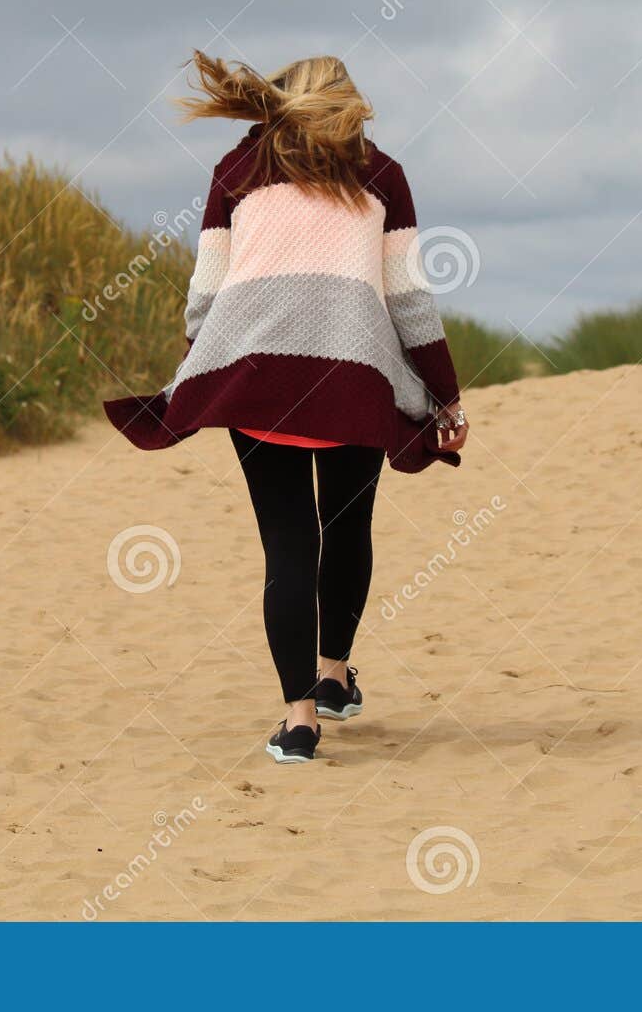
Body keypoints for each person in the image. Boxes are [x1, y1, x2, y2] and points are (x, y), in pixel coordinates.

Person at [105, 51, 469, 764]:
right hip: (351, 376)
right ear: (349, 105)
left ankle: (300, 722)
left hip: (255, 376)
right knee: (348, 525)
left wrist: (196, 362)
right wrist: (445, 393)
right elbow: (409, 302)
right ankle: (334, 677)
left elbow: (205, 292)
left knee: (289, 544)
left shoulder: (237, 171)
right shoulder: (382, 174)